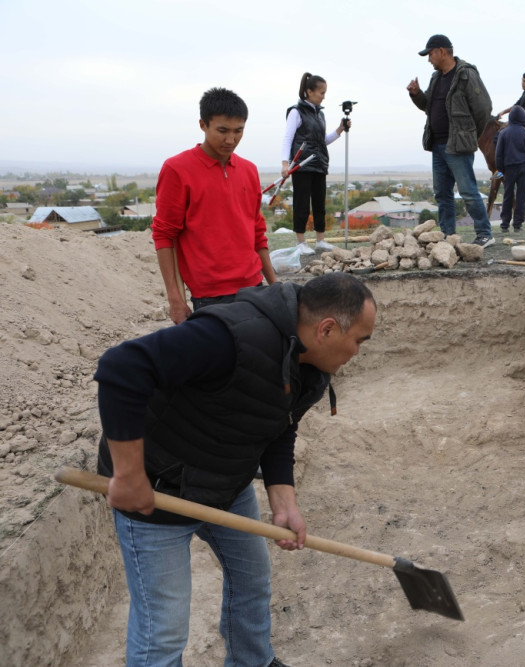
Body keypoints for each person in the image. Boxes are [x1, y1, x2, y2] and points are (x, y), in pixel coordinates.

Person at [94, 272, 377, 667]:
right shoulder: (233, 336)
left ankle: (252, 662)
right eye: (360, 340)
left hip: (225, 482)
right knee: (164, 629)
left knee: (251, 579)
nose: (358, 352)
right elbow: (122, 367)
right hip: (155, 490)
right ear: (327, 329)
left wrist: (284, 502)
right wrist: (128, 474)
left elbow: (279, 425)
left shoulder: (309, 363)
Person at [152, 87, 277, 325]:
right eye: (222, 130)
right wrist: (175, 299)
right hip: (210, 297)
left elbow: (257, 232)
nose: (231, 140)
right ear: (203, 125)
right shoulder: (177, 169)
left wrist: (274, 286)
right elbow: (164, 235)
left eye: (238, 131)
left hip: (254, 288)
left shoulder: (249, 170)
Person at [407, 34, 496, 248]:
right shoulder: (436, 77)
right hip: (437, 144)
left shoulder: (465, 74)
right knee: (442, 193)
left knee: (468, 191)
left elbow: (484, 108)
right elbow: (428, 106)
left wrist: (470, 134)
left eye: (430, 54)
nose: (429, 59)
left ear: (442, 52)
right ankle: (447, 236)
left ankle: (485, 234)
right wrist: (417, 94)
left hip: (458, 145)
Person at [282, 72, 349, 257]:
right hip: (301, 164)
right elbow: (287, 138)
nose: (323, 96)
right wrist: (285, 163)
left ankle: (320, 240)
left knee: (320, 203)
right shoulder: (296, 112)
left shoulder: (320, 114)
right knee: (302, 204)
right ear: (309, 91)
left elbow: (322, 141)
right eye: (321, 93)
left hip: (319, 164)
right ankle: (301, 242)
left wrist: (340, 130)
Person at [495, 105, 525, 233]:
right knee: (521, 196)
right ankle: (518, 224)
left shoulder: (503, 133)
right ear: (523, 117)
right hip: (524, 167)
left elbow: (498, 155)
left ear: (511, 117)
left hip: (508, 168)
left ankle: (504, 224)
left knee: (508, 195)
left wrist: (501, 169)